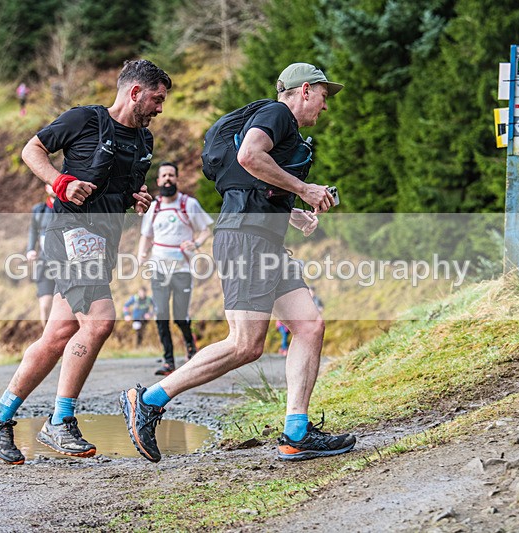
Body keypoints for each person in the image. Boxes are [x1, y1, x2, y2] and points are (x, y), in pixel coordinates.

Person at [120, 62, 356, 462]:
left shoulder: (286, 130)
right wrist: (304, 189)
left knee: (309, 325)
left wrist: (291, 210)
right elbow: (249, 155)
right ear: (304, 90)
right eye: (323, 95)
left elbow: (255, 183)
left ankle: (296, 433)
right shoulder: (277, 114)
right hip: (246, 240)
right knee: (245, 345)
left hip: (262, 238)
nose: (325, 105)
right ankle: (149, 399)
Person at [0, 59, 171, 465]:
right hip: (68, 234)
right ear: (135, 92)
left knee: (58, 334)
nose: (160, 108)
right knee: (99, 321)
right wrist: (59, 181)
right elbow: (33, 149)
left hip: (103, 243)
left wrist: (137, 198)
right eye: (156, 99)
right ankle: (60, 421)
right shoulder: (85, 120)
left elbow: (126, 187)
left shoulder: (144, 142)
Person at [138, 161, 213, 375]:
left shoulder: (188, 204)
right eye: (164, 175)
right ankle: (168, 361)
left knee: (180, 316)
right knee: (161, 314)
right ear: (159, 180)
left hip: (182, 269)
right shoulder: (154, 207)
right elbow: (146, 236)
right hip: (159, 268)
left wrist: (196, 244)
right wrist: (141, 254)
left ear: (176, 179)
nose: (168, 179)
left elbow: (205, 230)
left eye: (171, 175)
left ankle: (190, 347)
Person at [26, 184, 56, 327]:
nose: (55, 187)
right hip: (44, 264)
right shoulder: (39, 210)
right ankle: (47, 342)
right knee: (45, 305)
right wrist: (30, 249)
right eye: (52, 184)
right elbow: (33, 231)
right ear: (46, 188)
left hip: (66, 265)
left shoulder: (71, 209)